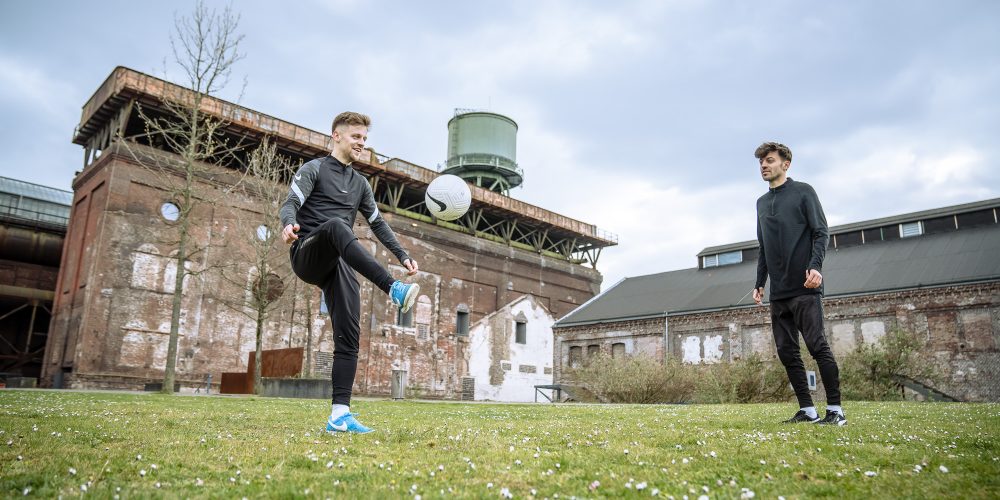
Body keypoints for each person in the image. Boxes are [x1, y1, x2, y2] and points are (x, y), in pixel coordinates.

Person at [280, 111, 420, 434]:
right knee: (336, 227)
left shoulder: (360, 184)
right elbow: (290, 203)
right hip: (307, 253)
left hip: (337, 263)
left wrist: (402, 254)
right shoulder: (313, 170)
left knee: (349, 334)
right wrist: (288, 225)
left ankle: (339, 416)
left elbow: (378, 224)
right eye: (357, 137)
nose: (362, 144)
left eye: (365, 139)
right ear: (337, 136)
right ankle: (394, 289)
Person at [752, 142, 846, 426]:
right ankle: (807, 410)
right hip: (779, 292)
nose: (764, 166)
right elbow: (763, 246)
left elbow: (821, 232)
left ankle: (835, 411)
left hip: (805, 286)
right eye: (761, 163)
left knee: (817, 346)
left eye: (769, 161)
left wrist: (816, 266)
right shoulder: (761, 203)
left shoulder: (804, 192)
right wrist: (760, 282)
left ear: (786, 164)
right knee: (787, 352)